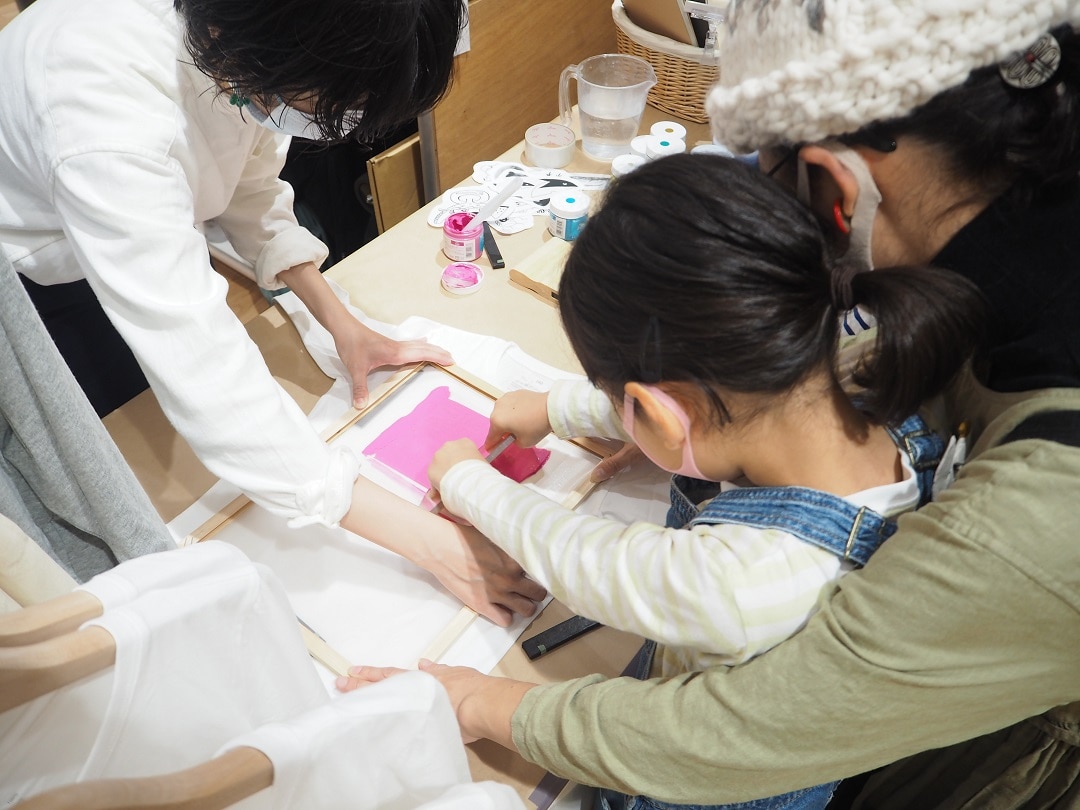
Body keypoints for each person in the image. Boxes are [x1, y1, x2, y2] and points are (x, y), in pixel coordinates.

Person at [339, 4, 1080, 807]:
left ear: (836, 194)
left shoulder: (756, 575)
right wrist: (566, 409)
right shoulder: (887, 361)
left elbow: (622, 595)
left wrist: (463, 484)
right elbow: (757, 381)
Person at [422, 153, 982, 810]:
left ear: (657, 416)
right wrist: (557, 407)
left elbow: (593, 564)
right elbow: (707, 392)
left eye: (625, 405)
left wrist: (465, 480)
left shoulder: (742, 580)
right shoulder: (854, 357)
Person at [0, 0, 546, 622]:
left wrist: (339, 321)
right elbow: (203, 367)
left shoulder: (250, 40)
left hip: (116, 221)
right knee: (108, 481)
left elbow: (246, 186)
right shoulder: (105, 116)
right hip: (32, 273)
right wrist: (436, 546)